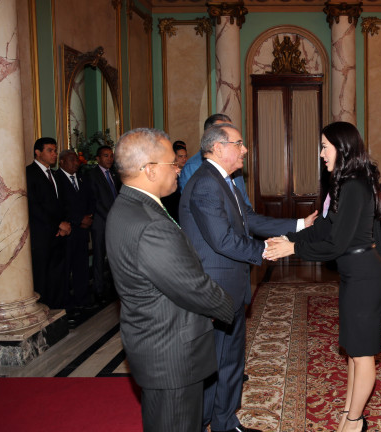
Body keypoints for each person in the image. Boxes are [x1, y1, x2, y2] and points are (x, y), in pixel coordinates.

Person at [179, 123, 317, 432]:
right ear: (218, 148)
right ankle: (210, 422)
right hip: (216, 289)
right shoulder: (206, 184)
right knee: (218, 361)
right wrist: (266, 250)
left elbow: (249, 220)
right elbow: (222, 240)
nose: (244, 149)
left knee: (228, 359)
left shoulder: (223, 180)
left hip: (228, 286)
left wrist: (298, 225)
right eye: (238, 144)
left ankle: (222, 421)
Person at [106, 128, 235, 432]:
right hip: (172, 352)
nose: (178, 169)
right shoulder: (149, 223)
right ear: (150, 170)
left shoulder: (127, 205)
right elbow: (191, 286)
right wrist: (226, 307)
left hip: (153, 341)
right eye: (172, 164)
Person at [264, 121, 381, 432]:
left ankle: (355, 422)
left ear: (342, 148)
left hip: (364, 276)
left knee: (363, 354)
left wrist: (293, 249)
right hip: (354, 274)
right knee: (353, 350)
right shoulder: (344, 183)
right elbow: (323, 227)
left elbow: (336, 244)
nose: (321, 154)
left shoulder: (354, 186)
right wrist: (289, 238)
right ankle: (349, 412)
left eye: (324, 147)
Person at [26, 137, 71, 308]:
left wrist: (65, 223)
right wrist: (57, 224)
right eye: (50, 150)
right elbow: (33, 206)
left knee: (57, 276)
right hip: (42, 236)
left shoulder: (55, 175)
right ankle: (43, 310)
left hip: (59, 235)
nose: (54, 154)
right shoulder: (29, 173)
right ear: (38, 153)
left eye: (55, 150)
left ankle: (57, 309)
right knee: (42, 277)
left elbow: (63, 203)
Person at [178, 113, 251, 207]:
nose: (244, 150)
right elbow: (195, 207)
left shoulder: (235, 165)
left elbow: (245, 204)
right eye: (222, 131)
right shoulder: (193, 166)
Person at [54, 150, 94, 313]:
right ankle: (66, 302)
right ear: (62, 162)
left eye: (77, 160)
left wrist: (89, 217)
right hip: (67, 231)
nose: (76, 163)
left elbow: (91, 199)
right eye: (72, 160)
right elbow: (59, 206)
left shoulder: (83, 178)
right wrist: (78, 219)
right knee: (65, 268)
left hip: (82, 231)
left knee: (81, 267)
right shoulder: (56, 178)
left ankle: (82, 299)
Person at [87, 145, 121, 304]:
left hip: (115, 221)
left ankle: (114, 287)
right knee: (99, 257)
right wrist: (110, 217)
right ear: (98, 158)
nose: (109, 159)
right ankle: (99, 290)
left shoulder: (114, 174)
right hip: (101, 222)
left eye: (111, 156)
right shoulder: (92, 175)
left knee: (115, 256)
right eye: (106, 156)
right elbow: (94, 200)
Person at [160, 140, 188, 221]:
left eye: (185, 156)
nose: (184, 159)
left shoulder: (186, 171)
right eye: (180, 156)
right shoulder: (167, 177)